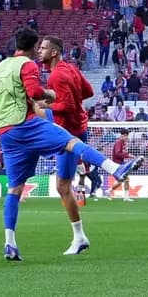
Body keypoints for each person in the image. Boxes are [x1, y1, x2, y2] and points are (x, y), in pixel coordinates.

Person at [0, 28, 141, 262]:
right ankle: (115, 169)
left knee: (15, 189)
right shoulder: (34, 66)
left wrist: (5, 107)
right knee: (71, 149)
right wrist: (50, 96)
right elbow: (38, 92)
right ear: (33, 47)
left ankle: (10, 244)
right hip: (32, 125)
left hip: (6, 132)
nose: (39, 52)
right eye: (39, 47)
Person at [40, 35, 96, 255]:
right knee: (64, 184)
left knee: (63, 186)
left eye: (43, 48)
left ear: (54, 52)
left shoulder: (57, 75)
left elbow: (69, 106)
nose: (39, 51)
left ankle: (79, 237)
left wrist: (47, 105)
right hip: (79, 127)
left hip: (67, 133)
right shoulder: (71, 68)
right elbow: (88, 92)